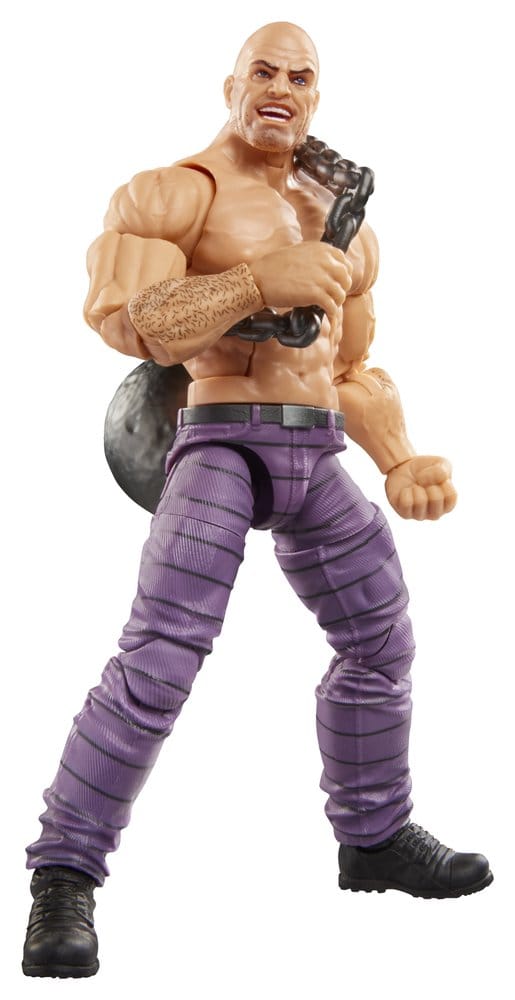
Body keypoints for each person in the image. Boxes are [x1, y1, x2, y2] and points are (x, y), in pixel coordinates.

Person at [22, 20, 492, 980]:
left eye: (300, 77)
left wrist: (398, 459)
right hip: (220, 441)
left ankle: (373, 835)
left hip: (315, 450)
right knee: (159, 658)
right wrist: (251, 282)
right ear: (231, 85)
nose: (281, 88)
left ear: (316, 95)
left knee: (381, 639)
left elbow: (347, 368)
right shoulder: (174, 192)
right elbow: (132, 322)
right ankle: (64, 873)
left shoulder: (342, 221)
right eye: (263, 72)